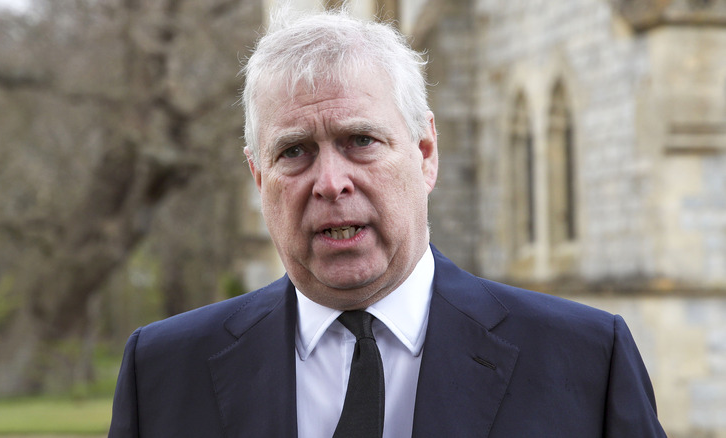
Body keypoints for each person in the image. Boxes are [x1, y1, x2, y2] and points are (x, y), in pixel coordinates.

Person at [108, 8, 667, 438]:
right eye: (295, 151)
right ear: (259, 178)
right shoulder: (160, 373)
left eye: (361, 141)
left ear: (425, 153)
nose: (330, 182)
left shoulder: (587, 360)